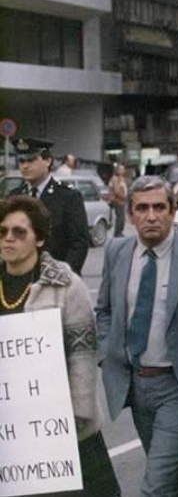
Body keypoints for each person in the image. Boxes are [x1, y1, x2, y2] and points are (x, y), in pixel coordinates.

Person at [95, 176, 178, 496]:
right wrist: (107, 352)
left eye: (159, 207)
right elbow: (104, 309)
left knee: (156, 485)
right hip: (134, 385)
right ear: (131, 214)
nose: (151, 216)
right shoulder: (116, 251)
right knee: (171, 479)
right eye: (142, 208)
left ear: (173, 211)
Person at [2, 196, 121, 496]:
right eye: (2, 231)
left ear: (39, 238)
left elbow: (83, 353)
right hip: (11, 424)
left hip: (61, 424)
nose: (8, 239)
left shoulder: (66, 284)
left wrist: (76, 416)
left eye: (19, 232)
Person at [8, 137, 89, 274]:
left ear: (47, 161)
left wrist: (64, 275)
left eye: (31, 160)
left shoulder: (68, 197)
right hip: (21, 280)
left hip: (56, 279)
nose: (25, 166)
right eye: (21, 161)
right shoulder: (14, 197)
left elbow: (79, 243)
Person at [107, 164, 128, 237]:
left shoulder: (121, 178)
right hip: (117, 201)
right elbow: (116, 191)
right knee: (120, 217)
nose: (123, 170)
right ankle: (117, 232)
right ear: (118, 170)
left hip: (121, 201)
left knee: (122, 217)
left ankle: (120, 232)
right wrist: (123, 196)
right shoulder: (115, 179)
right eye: (122, 169)